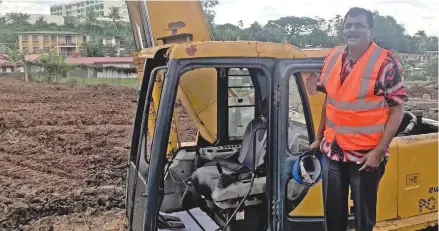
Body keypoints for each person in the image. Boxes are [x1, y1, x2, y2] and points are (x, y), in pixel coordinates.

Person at [306, 7, 409, 231]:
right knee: (333, 217)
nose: (353, 29)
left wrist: (379, 152)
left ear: (370, 30)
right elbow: (330, 102)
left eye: (359, 25)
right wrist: (318, 137)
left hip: (366, 157)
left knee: (363, 220)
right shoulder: (333, 57)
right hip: (332, 151)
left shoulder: (386, 63)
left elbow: (397, 111)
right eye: (348, 25)